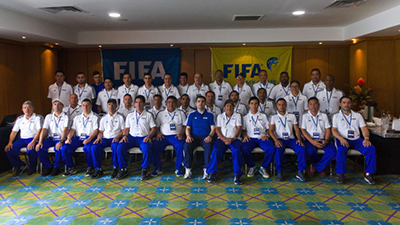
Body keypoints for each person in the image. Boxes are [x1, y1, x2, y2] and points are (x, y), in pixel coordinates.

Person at [332, 96, 377, 185]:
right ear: (340, 104)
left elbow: (364, 128)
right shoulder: (336, 116)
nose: (346, 105)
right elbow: (334, 130)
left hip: (356, 140)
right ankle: (341, 174)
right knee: (341, 149)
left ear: (351, 104)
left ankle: (369, 174)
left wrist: (366, 138)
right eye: (344, 102)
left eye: (348, 103)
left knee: (371, 148)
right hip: (343, 139)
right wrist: (341, 139)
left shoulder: (357, 115)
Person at [117, 95, 157, 180]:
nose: (138, 104)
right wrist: (124, 136)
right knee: (120, 146)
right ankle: (123, 168)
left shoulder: (149, 115)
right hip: (131, 138)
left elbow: (153, 128)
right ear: (134, 104)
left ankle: (145, 169)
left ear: (144, 104)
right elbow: (126, 128)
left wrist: (149, 136)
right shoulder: (129, 115)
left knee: (146, 148)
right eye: (136, 102)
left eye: (140, 102)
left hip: (144, 138)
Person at [270, 98, 307, 182]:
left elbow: (297, 129)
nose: (281, 106)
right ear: (276, 106)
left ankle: (300, 172)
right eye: (279, 104)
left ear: (286, 105)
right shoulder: (274, 117)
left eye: (283, 104)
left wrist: (299, 139)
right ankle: (279, 172)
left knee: (301, 148)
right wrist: (275, 140)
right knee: (278, 149)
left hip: (291, 139)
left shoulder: (292, 116)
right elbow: (270, 131)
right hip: (280, 139)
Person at [207, 100, 243, 185]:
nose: (229, 107)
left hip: (234, 139)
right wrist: (223, 139)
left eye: (231, 106)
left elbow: (239, 128)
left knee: (236, 151)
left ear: (234, 107)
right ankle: (212, 173)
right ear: (224, 107)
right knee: (216, 150)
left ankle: (237, 174)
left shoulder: (237, 116)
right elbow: (217, 129)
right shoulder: (220, 116)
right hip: (221, 139)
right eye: (227, 106)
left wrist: (233, 138)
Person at [61, 99, 99, 177]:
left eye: (87, 105)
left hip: (90, 137)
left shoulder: (95, 117)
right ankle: (70, 167)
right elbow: (72, 129)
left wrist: (89, 139)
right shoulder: (77, 117)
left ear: (91, 106)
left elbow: (96, 130)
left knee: (88, 148)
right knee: (64, 147)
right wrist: (68, 138)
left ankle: (90, 167)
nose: (85, 107)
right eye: (83, 105)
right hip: (78, 138)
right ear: (81, 107)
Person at [5, 101, 43, 176]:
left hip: (33, 138)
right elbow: (14, 132)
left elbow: (40, 130)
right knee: (9, 149)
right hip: (22, 139)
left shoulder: (38, 118)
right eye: (25, 108)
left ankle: (32, 167)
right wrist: (10, 142)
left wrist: (33, 141)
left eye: (29, 107)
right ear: (22, 109)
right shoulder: (20, 119)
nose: (27, 109)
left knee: (30, 149)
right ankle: (20, 165)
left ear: (33, 109)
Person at [300, 97, 336, 178]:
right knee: (310, 151)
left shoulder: (324, 115)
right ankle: (321, 168)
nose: (313, 106)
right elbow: (303, 130)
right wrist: (312, 141)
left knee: (332, 152)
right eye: (311, 104)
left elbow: (328, 129)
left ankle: (316, 168)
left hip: (323, 139)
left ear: (318, 105)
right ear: (308, 106)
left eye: (315, 104)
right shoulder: (305, 116)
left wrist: (326, 140)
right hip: (310, 140)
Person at [241, 97, 275, 179]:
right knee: (244, 148)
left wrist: (267, 135)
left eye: (256, 103)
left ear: (258, 105)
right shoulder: (245, 117)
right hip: (250, 138)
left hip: (261, 138)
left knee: (271, 148)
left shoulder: (263, 116)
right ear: (249, 105)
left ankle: (263, 167)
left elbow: (268, 129)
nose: (254, 105)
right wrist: (245, 136)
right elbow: (243, 130)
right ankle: (252, 167)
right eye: (252, 103)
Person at [153, 96, 186, 177]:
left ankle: (178, 168)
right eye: (169, 102)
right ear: (166, 103)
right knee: (155, 145)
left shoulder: (181, 113)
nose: (171, 104)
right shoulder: (160, 113)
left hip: (176, 136)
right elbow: (156, 126)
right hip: (163, 136)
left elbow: (185, 126)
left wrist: (182, 133)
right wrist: (158, 133)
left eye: (173, 102)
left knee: (181, 146)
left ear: (176, 103)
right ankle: (158, 168)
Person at [91, 99, 125, 179]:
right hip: (105, 139)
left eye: (113, 104)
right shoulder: (103, 118)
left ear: (116, 106)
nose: (111, 106)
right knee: (94, 147)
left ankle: (115, 167)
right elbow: (100, 131)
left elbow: (123, 131)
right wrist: (99, 138)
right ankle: (98, 168)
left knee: (115, 147)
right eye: (109, 104)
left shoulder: (120, 117)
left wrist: (118, 136)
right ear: (107, 106)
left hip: (115, 138)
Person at [183, 96, 215, 179]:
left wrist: (210, 136)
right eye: (199, 101)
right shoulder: (191, 115)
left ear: (205, 103)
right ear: (195, 103)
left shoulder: (210, 115)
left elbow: (213, 129)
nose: (200, 103)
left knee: (209, 147)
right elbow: (188, 128)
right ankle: (188, 169)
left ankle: (206, 170)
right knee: (187, 146)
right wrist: (188, 136)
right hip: (193, 137)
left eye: (202, 101)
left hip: (205, 137)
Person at [35, 99, 69, 176]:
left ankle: (56, 167)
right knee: (39, 147)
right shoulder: (48, 116)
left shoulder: (66, 116)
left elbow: (65, 129)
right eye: (55, 104)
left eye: (59, 104)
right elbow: (44, 129)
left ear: (62, 106)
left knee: (58, 148)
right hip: (51, 137)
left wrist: (61, 141)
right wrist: (40, 141)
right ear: (52, 106)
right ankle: (47, 166)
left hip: (61, 137)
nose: (56, 106)